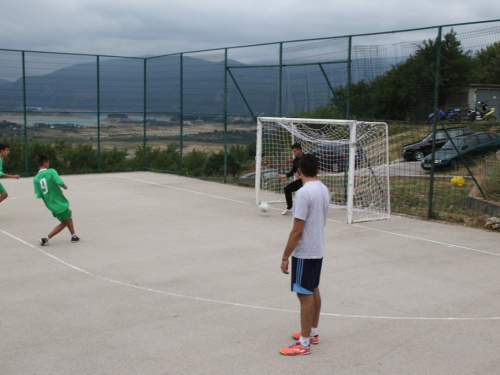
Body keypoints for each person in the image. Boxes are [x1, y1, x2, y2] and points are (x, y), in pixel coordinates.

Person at [279, 153, 330, 356]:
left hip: (305, 251)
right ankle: (313, 332)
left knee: (304, 294)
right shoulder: (323, 189)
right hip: (317, 248)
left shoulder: (303, 193)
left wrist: (285, 257)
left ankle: (305, 343)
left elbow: (297, 230)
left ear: (299, 171)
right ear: (318, 170)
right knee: (313, 288)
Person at [33, 154, 80, 245]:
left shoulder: (35, 179)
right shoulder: (51, 171)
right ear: (45, 163)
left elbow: (38, 195)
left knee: (68, 214)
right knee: (65, 222)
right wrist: (64, 186)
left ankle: (74, 236)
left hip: (50, 204)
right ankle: (46, 238)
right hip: (59, 201)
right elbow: (59, 181)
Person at [275, 143, 304, 215]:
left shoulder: (306, 158)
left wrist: (303, 177)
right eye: (293, 151)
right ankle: (290, 207)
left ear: (299, 150)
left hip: (308, 181)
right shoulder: (295, 161)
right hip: (301, 180)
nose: (294, 153)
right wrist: (281, 176)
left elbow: (311, 170)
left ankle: (304, 210)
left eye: (295, 151)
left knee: (301, 193)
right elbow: (292, 172)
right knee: (287, 189)